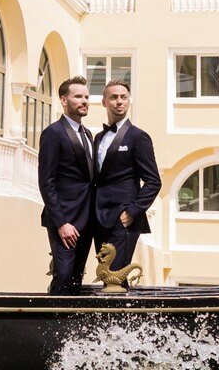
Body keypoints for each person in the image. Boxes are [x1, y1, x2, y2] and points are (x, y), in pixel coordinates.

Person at [91, 79, 160, 280]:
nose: (119, 101)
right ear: (104, 102)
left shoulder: (139, 137)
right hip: (99, 217)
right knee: (106, 276)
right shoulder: (98, 138)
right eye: (113, 97)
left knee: (116, 277)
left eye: (124, 97)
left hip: (123, 219)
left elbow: (153, 181)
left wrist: (131, 212)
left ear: (129, 101)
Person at [36, 76, 98, 294]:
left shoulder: (87, 134)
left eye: (86, 97)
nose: (84, 101)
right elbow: (46, 181)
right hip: (65, 219)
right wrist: (61, 222)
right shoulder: (53, 133)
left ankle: (71, 316)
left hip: (87, 218)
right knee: (63, 274)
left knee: (76, 277)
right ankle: (53, 315)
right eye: (78, 96)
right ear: (64, 100)